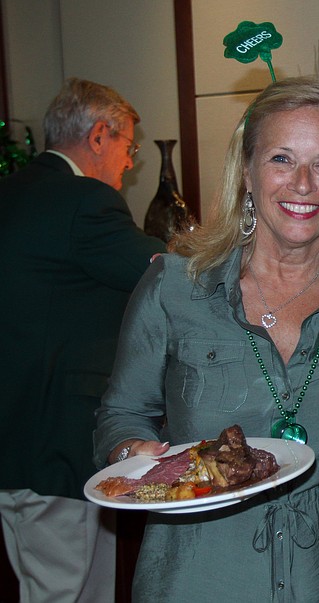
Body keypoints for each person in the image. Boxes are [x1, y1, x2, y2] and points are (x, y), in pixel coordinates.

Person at [93, 76, 319, 602]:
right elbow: (120, 413)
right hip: (198, 575)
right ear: (247, 174)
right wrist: (134, 452)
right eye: (282, 159)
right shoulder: (174, 286)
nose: (303, 183)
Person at [0, 77, 166, 602]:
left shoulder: (14, 193)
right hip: (54, 443)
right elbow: (159, 272)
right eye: (127, 147)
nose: (129, 163)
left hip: (18, 439)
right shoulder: (81, 201)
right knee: (65, 592)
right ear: (99, 136)